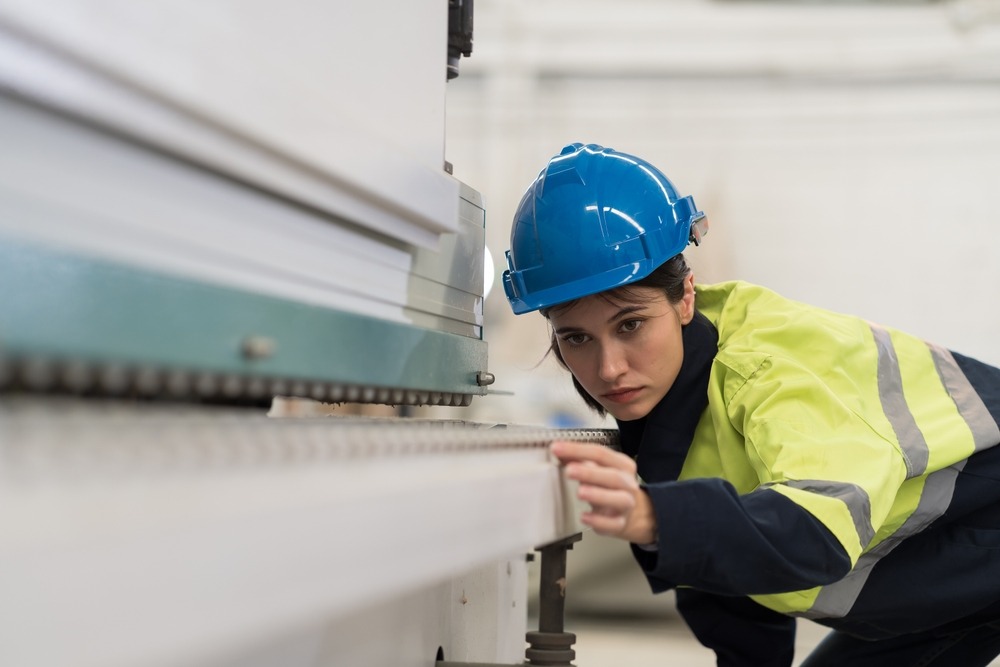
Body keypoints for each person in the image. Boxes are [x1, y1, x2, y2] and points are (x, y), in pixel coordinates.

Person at [501, 143, 1000, 666]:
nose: (608, 369)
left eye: (631, 325)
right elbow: (726, 577)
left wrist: (656, 517)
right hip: (952, 586)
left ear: (685, 295)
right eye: (576, 339)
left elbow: (815, 531)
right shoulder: (672, 408)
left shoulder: (763, 367)